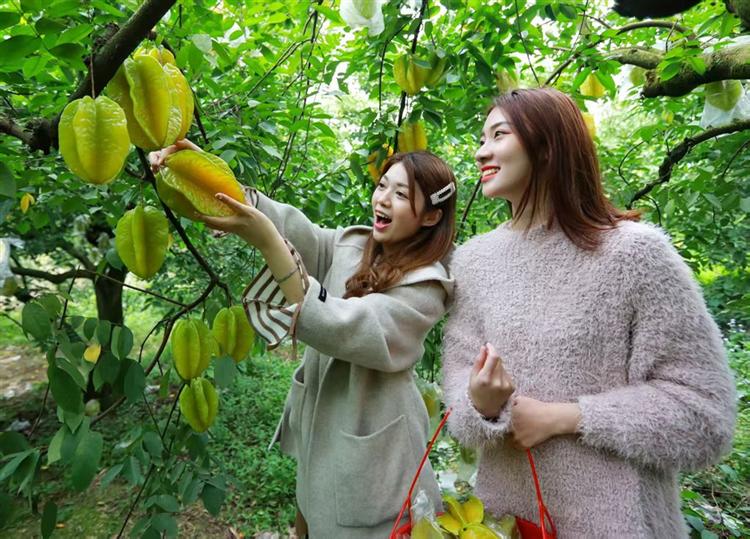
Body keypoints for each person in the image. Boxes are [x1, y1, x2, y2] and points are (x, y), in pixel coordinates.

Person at [441, 87, 737, 538]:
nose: (482, 151)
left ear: (547, 145)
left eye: (499, 135)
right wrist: (480, 404)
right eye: (482, 139)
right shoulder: (474, 261)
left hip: (616, 524)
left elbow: (706, 416)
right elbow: (458, 388)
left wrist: (568, 418)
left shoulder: (635, 254)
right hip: (503, 523)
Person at [151, 142, 457, 538]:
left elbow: (343, 326)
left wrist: (268, 243)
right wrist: (215, 179)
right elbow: (295, 229)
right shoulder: (354, 244)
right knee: (312, 509)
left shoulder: (426, 286)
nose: (383, 199)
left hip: (377, 458)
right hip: (321, 437)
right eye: (382, 185)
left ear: (431, 216)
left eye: (401, 195)